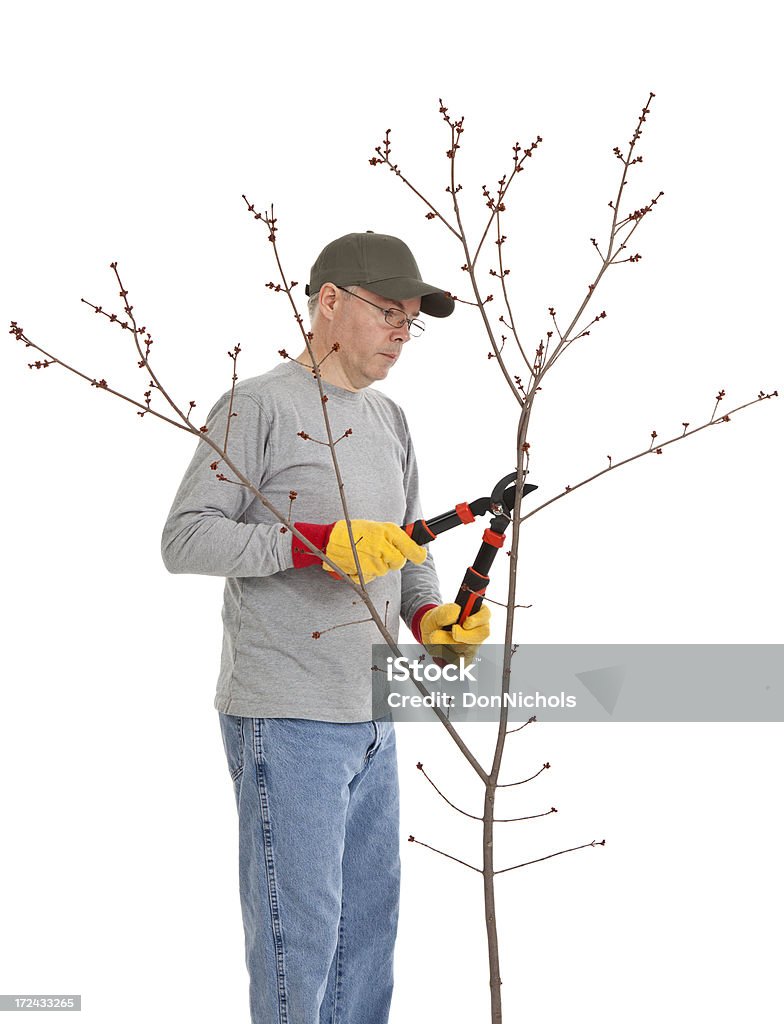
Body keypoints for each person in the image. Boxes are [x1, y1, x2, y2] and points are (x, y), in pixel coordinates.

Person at [160, 230, 491, 1024]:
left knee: (366, 944)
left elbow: (409, 545)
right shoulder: (257, 407)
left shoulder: (391, 420)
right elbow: (185, 538)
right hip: (287, 714)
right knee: (298, 946)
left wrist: (429, 616)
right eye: (389, 312)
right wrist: (313, 545)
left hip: (373, 711)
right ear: (329, 303)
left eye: (413, 320)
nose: (402, 334)